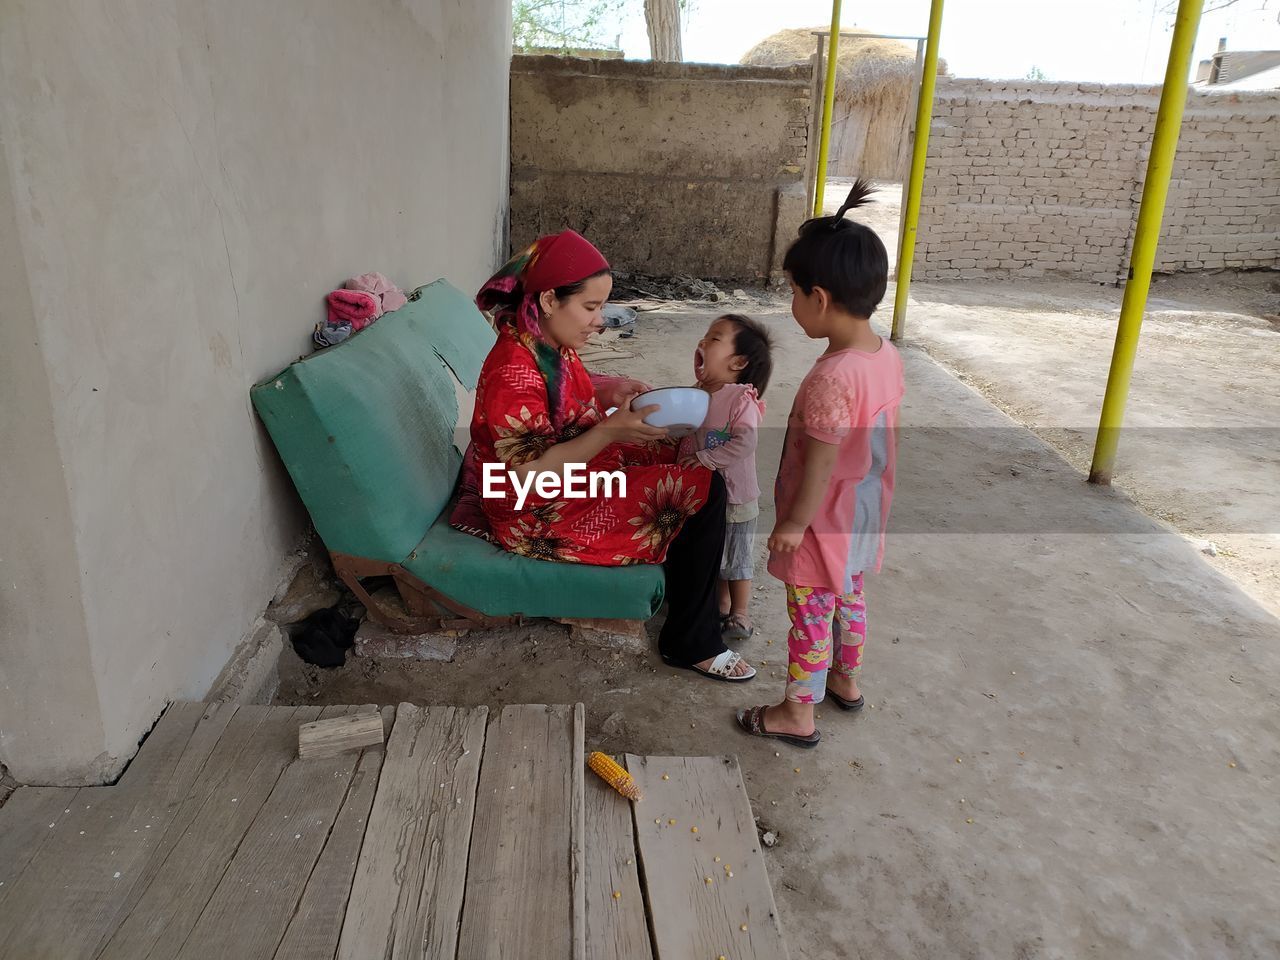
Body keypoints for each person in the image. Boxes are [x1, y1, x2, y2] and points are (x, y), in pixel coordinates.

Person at [452, 229, 756, 681]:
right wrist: (612, 428)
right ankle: (692, 642)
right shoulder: (511, 371)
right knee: (699, 487)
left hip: (570, 469)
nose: (600, 321)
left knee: (678, 453)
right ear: (551, 299)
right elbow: (529, 474)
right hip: (537, 509)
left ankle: (688, 585)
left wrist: (607, 387)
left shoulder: (538, 338)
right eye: (591, 308)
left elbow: (557, 385)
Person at [735, 180, 905, 747]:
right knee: (849, 593)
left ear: (821, 298)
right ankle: (846, 680)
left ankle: (796, 712)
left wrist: (793, 523)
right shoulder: (883, 356)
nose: (791, 304)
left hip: (822, 517)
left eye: (792, 291)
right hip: (861, 510)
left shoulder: (833, 378)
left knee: (810, 610)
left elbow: (822, 464)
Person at [677, 314, 773, 641]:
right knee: (717, 552)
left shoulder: (739, 399)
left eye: (715, 338)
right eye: (705, 335)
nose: (703, 341)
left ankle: (740, 613)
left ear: (738, 362)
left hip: (736, 498)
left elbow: (745, 441)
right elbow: (684, 428)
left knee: (737, 557)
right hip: (707, 494)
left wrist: (704, 458)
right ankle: (720, 605)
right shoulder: (698, 392)